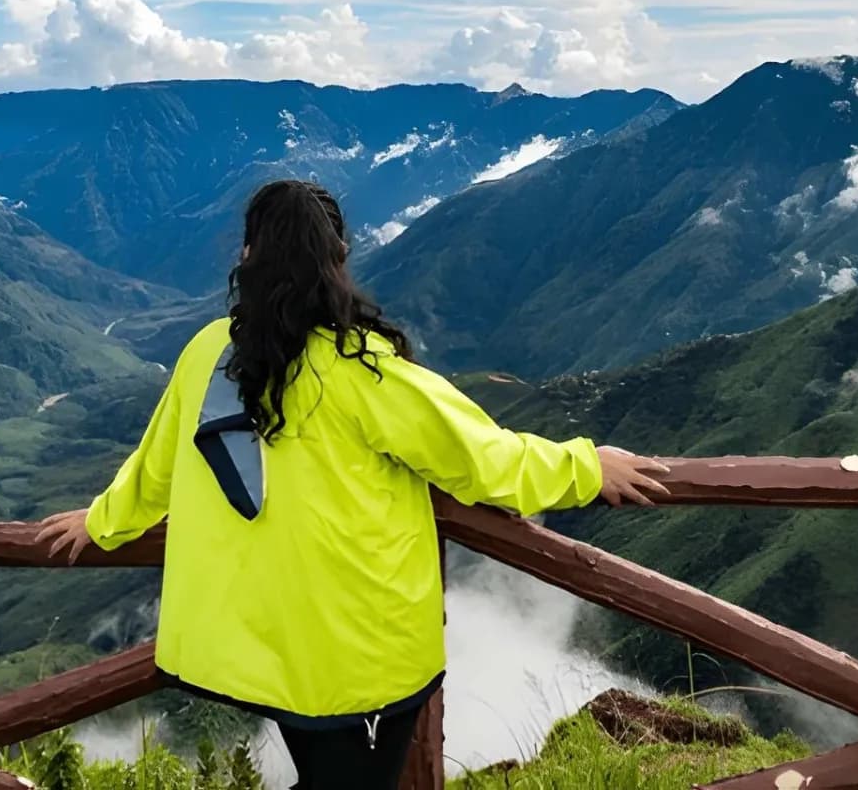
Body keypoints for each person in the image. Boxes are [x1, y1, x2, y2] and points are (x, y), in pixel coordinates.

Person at [36, 179, 670, 789]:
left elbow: (153, 471)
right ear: (338, 259)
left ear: (247, 256)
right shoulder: (362, 369)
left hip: (259, 642)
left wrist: (99, 524)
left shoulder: (207, 352)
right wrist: (590, 467)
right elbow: (487, 461)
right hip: (352, 650)